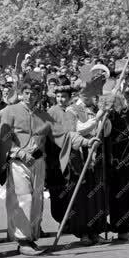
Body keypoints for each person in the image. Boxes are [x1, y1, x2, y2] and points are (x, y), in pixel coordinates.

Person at [0, 75, 97, 256]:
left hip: (39, 162)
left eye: (34, 93)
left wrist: (86, 142)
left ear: (39, 94)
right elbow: (3, 139)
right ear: (21, 93)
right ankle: (22, 240)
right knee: (23, 200)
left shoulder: (44, 115)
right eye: (26, 92)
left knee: (37, 201)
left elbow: (64, 135)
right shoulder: (9, 111)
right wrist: (19, 152)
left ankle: (31, 237)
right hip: (18, 162)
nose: (30, 96)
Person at [47, 72, 110, 245]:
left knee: (95, 195)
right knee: (81, 197)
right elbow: (77, 130)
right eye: (88, 94)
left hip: (95, 159)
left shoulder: (96, 108)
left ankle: (96, 231)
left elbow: (106, 131)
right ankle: (83, 233)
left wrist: (105, 116)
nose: (90, 97)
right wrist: (97, 118)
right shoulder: (72, 110)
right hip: (78, 159)